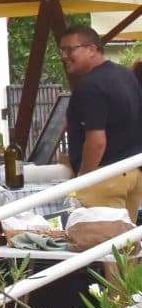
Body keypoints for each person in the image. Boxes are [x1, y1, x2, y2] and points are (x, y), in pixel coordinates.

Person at [59, 25, 142, 216]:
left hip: (105, 176)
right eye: (62, 49)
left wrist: (85, 178)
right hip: (132, 172)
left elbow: (97, 141)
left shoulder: (90, 85)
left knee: (96, 239)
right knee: (125, 243)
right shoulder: (126, 75)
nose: (64, 55)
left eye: (70, 49)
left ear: (92, 49)